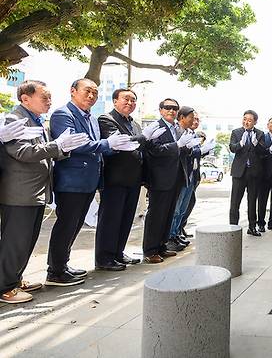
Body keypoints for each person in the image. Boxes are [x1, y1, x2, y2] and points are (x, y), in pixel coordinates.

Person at [0, 80, 88, 303]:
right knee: (15, 242)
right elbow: (23, 152)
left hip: (36, 191)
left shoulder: (36, 120)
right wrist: (57, 146)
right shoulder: (15, 120)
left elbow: (46, 151)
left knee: (27, 240)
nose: (49, 102)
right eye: (44, 97)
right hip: (20, 192)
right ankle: (5, 287)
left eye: (50, 97)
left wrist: (62, 149)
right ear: (25, 98)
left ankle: (15, 279)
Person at [47, 78, 137, 286]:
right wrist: (107, 144)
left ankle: (63, 264)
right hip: (72, 180)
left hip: (89, 181)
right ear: (73, 91)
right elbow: (74, 144)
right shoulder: (63, 114)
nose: (91, 96)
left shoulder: (91, 118)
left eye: (95, 93)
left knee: (75, 225)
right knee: (66, 225)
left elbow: (95, 145)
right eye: (87, 91)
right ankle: (55, 271)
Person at [95, 88, 166, 270]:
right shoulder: (106, 120)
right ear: (115, 101)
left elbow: (141, 147)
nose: (130, 103)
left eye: (133, 100)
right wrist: (144, 137)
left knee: (126, 218)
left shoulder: (134, 124)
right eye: (126, 99)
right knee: (111, 219)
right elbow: (122, 143)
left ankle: (118, 252)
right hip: (115, 177)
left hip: (133, 178)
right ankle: (105, 258)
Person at [142, 99, 199, 263]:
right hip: (160, 178)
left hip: (176, 178)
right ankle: (150, 250)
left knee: (168, 214)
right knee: (156, 215)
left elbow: (180, 152)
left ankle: (161, 246)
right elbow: (154, 150)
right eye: (167, 108)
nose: (171, 111)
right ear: (160, 110)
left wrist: (188, 148)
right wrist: (177, 145)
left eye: (174, 108)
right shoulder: (156, 127)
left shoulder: (175, 128)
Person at [167, 106, 203, 251]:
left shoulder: (190, 133)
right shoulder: (177, 132)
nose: (193, 120)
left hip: (190, 175)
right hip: (180, 174)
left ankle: (176, 233)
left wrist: (198, 150)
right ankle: (170, 236)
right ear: (182, 117)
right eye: (191, 117)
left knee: (182, 209)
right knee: (176, 209)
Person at [229, 109, 266, 236]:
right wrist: (240, 143)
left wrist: (256, 144)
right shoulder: (236, 132)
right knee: (235, 201)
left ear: (255, 122)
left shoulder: (260, 133)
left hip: (254, 172)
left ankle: (252, 227)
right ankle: (233, 228)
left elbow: (263, 152)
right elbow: (232, 148)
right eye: (244, 119)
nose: (246, 122)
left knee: (252, 201)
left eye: (249, 120)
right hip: (239, 172)